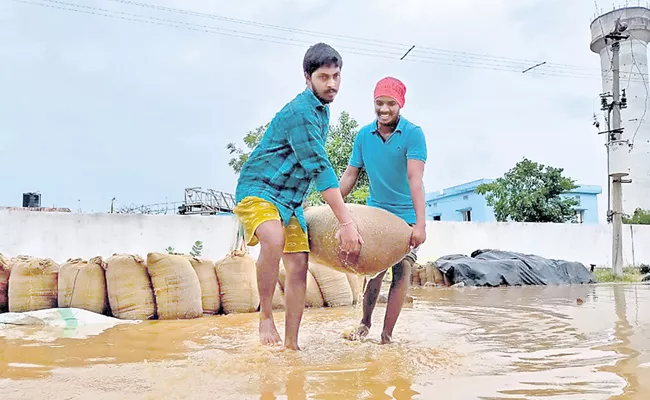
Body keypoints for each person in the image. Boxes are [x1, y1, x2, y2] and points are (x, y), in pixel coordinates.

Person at [233, 43, 363, 350]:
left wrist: (334, 209)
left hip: (291, 200)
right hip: (259, 188)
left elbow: (317, 171)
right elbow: (321, 167)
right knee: (274, 238)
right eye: (323, 77)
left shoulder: (323, 111)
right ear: (307, 78)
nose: (332, 83)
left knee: (299, 266)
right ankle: (265, 315)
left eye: (336, 76)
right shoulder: (302, 112)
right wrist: (345, 223)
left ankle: (291, 345)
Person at [340, 76, 427, 344]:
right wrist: (331, 205)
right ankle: (364, 325)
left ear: (400, 104)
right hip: (376, 215)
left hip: (405, 219)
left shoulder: (413, 134)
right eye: (379, 103)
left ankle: (386, 337)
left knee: (401, 272)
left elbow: (415, 179)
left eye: (391, 103)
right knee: (373, 271)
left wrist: (420, 225)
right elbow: (351, 174)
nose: (384, 109)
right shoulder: (364, 135)